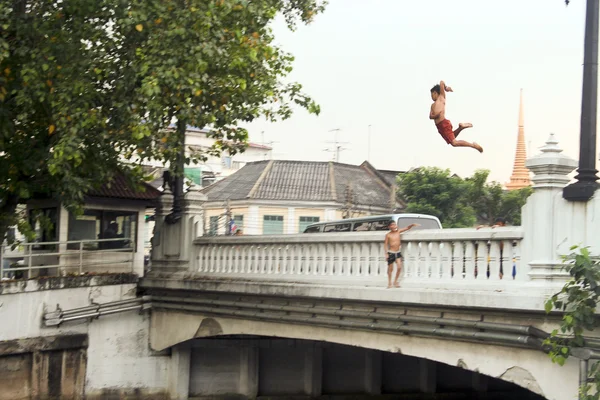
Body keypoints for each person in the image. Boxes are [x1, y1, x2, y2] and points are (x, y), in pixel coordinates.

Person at [430, 81, 483, 153]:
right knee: (452, 138)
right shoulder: (432, 105)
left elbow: (441, 82)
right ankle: (461, 127)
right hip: (440, 127)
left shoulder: (441, 97)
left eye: (432, 94)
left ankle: (473, 145)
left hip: (443, 124)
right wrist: (436, 115)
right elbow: (430, 116)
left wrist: (445, 88)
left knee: (454, 143)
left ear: (436, 93)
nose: (431, 97)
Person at [383, 221, 419, 288]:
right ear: (389, 227)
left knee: (399, 267)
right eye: (392, 225)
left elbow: (407, 228)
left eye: (395, 224)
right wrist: (386, 253)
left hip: (398, 252)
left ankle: (395, 281)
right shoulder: (388, 235)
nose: (394, 226)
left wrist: (412, 225)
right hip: (391, 253)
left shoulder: (398, 232)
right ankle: (389, 282)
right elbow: (385, 245)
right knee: (390, 269)